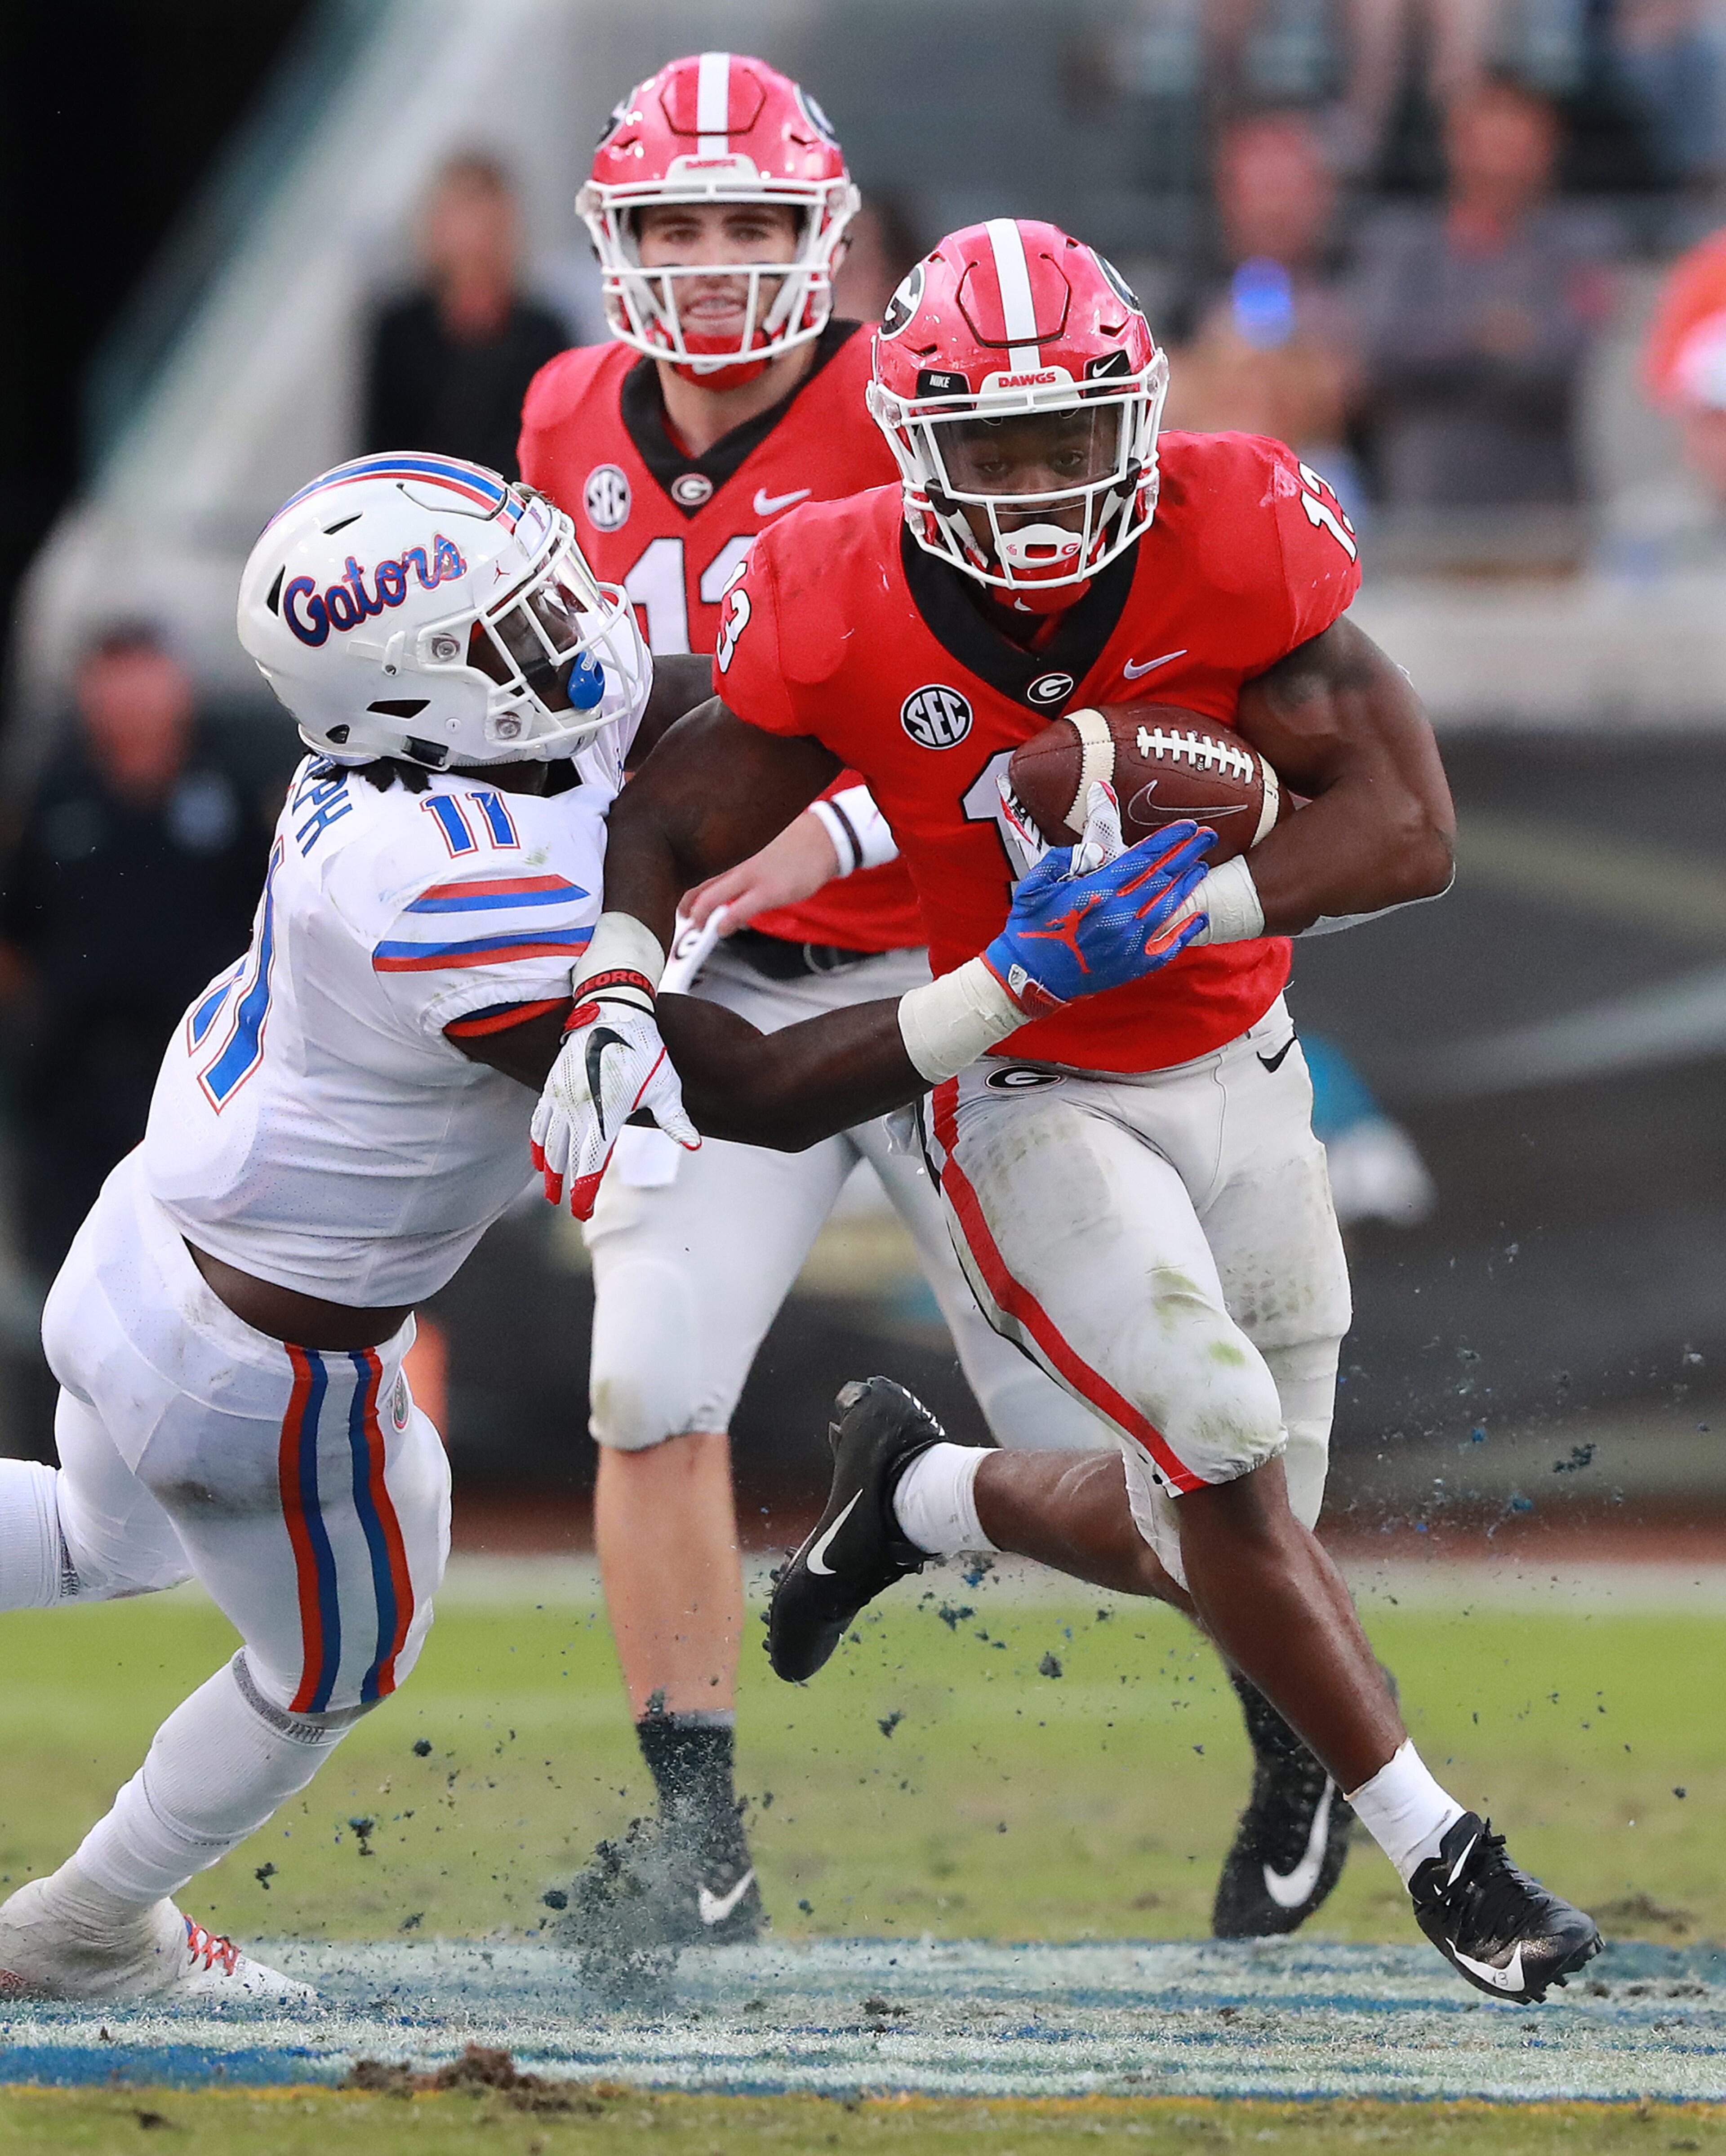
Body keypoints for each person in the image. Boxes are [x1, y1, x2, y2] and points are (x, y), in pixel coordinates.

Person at [538, 218, 1603, 2002]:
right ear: (913, 443)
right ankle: (1454, 1854)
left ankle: (923, 1492)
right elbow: (668, 807)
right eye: (995, 448)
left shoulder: (1236, 527)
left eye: (1066, 436)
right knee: (1217, 1447)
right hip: (1035, 1090)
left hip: (1245, 1065)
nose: (1036, 488)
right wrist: (616, 971)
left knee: (1225, 1534)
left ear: (1141, 411)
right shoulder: (840, 585)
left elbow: (1407, 822)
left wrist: (1188, 906)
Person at [0, 448, 1205, 2003]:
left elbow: (740, 702)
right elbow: (757, 1086)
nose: (570, 625)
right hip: (266, 1353)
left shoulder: (431, 738)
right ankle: (86, 1922)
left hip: (148, 1241)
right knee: (332, 1669)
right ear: (407, 688)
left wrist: (947, 676)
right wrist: (1015, 979)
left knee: (103, 1543)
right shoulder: (426, 890)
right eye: (513, 625)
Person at [516, 51, 1119, 1954]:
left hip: (939, 969)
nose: (706, 262)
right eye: (673, 223)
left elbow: (1015, 696)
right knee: (642, 1378)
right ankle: (699, 1841)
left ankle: (935, 1514)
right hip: (720, 997)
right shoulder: (558, 414)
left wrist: (827, 819)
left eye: (749, 222)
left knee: (1130, 1437)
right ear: (613, 240)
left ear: (825, 241)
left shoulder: (900, 402)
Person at [0, 625, 271, 1288]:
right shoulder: (55, 795)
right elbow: (16, 933)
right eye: (115, 682)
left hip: (204, 1082)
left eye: (147, 680)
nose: (134, 702)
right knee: (72, 1281)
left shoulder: (229, 789)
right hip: (77, 1089)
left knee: (200, 1282)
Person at [1353, 72, 1615, 516]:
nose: (1502, 158)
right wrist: (1487, 334)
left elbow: (1562, 361)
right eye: (1488, 139)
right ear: (1454, 144)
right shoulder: (1402, 245)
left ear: (1549, 148)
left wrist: (1440, 357)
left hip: (1543, 513)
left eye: (1518, 141)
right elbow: (1380, 353)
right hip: (1426, 508)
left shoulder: (1581, 245)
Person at [1166, 109, 1367, 521]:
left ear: (1321, 193)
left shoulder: (1361, 282)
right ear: (1227, 192)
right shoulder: (1184, 295)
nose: (1275, 205)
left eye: (1287, 186)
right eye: (1261, 186)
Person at [363, 156, 568, 480]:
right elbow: (379, 452)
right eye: (463, 212)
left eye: (486, 217)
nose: (474, 234)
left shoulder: (542, 333)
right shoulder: (400, 330)